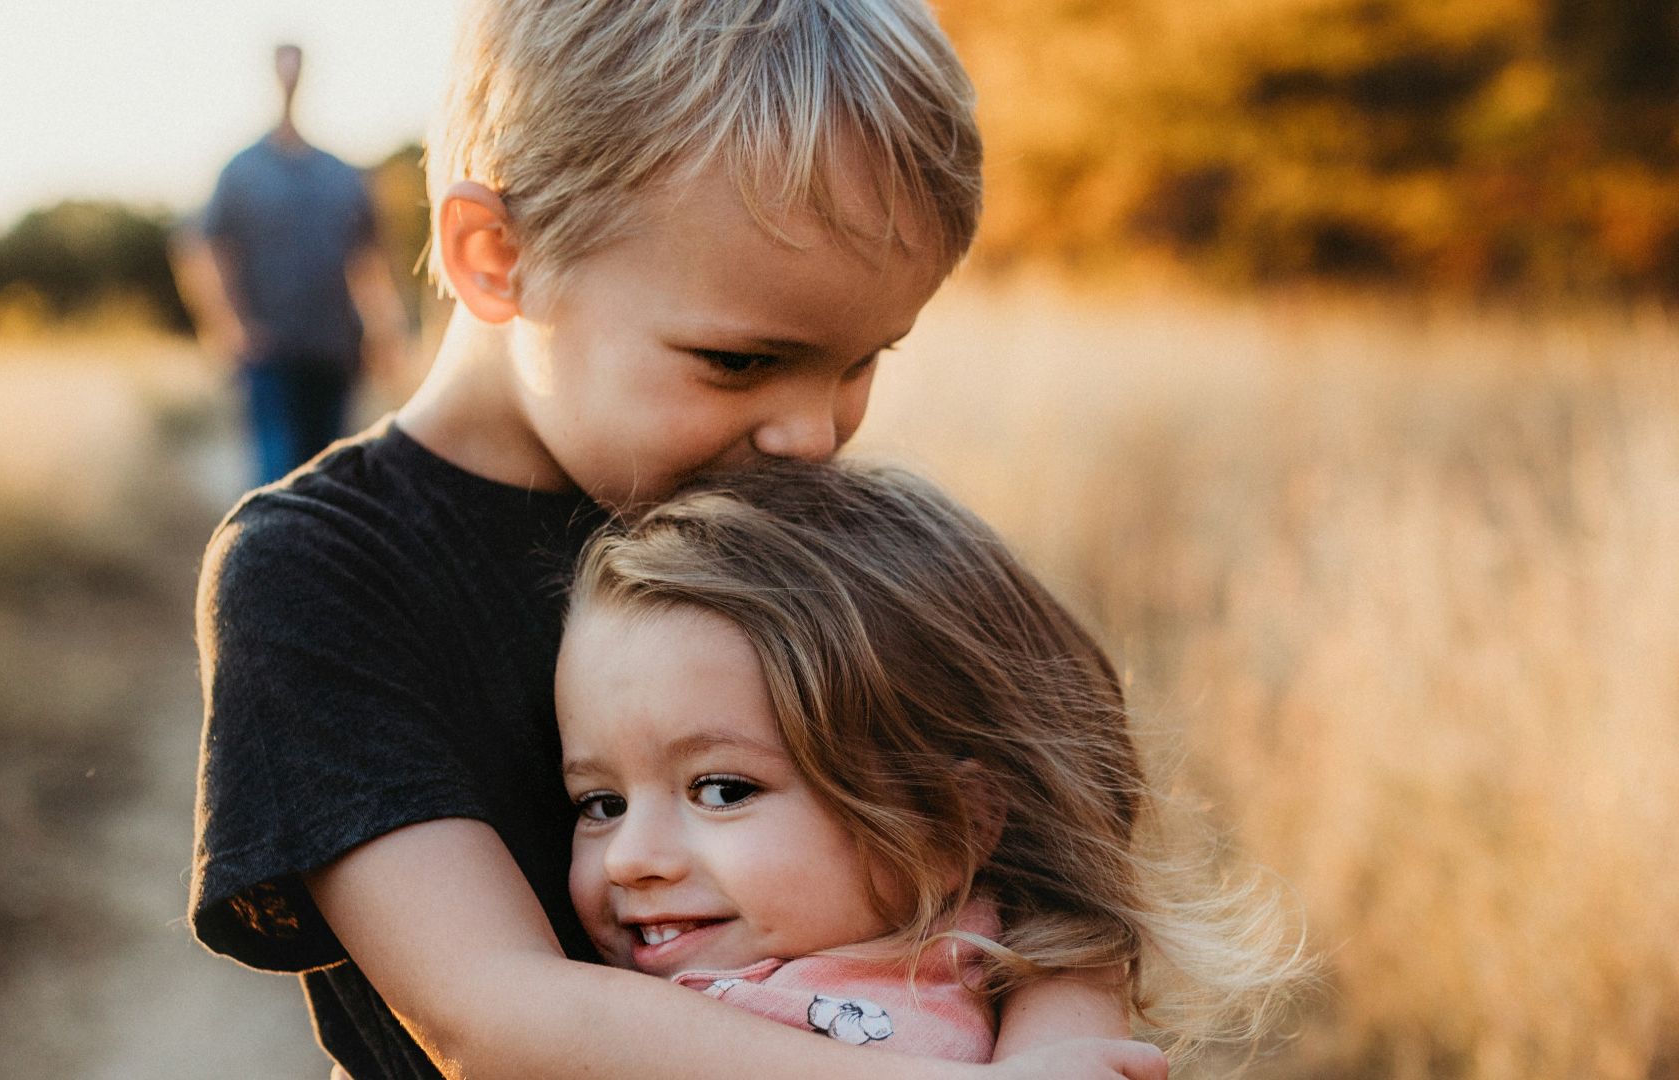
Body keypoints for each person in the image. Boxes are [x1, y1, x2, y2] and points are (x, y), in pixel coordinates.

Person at [191, 3, 1168, 1078]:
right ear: (495, 255)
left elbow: (1064, 861)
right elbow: (488, 1011)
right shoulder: (323, 572)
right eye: (740, 363)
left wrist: (1056, 1050)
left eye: (859, 361)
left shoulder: (803, 520)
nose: (812, 437)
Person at [557, 460, 1307, 1066]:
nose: (629, 860)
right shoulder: (585, 1010)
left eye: (721, 790)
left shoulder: (1025, 991)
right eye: (600, 803)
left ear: (952, 825)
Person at [171, 43, 405, 487]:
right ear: (272, 75)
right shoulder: (241, 171)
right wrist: (228, 325)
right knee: (278, 477)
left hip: (335, 349)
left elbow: (369, 260)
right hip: (269, 354)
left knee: (327, 476)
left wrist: (385, 332)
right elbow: (201, 248)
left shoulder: (340, 174)